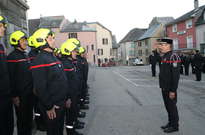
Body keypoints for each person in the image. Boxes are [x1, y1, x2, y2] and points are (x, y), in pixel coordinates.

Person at [30, 28, 68, 135]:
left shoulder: (52, 57)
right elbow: (40, 87)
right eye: (50, 39)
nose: (54, 41)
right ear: (42, 41)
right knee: (53, 132)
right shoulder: (40, 59)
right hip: (52, 107)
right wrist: (49, 106)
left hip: (59, 103)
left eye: (53, 38)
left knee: (59, 131)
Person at [7, 30, 34, 135]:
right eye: (23, 40)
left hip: (29, 94)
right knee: (22, 121)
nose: (26, 43)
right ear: (16, 42)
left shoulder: (25, 55)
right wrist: (14, 96)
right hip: (20, 96)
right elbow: (11, 78)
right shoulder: (12, 57)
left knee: (28, 120)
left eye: (25, 40)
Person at [60, 39, 83, 135]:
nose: (76, 53)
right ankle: (70, 132)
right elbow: (65, 84)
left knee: (72, 114)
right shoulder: (65, 64)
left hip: (73, 94)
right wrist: (68, 98)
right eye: (73, 51)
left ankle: (72, 130)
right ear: (67, 51)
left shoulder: (69, 63)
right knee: (69, 116)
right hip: (69, 96)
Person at [157, 38, 180, 133]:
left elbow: (175, 76)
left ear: (168, 46)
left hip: (170, 88)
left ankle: (175, 126)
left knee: (172, 107)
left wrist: (173, 90)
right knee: (168, 107)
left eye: (163, 44)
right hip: (164, 87)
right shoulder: (165, 56)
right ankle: (170, 123)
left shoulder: (173, 57)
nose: (160, 46)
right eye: (160, 44)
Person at [0, 15, 14, 135]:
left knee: (8, 126)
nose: (4, 28)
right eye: (1, 25)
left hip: (6, 95)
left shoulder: (1, 46)